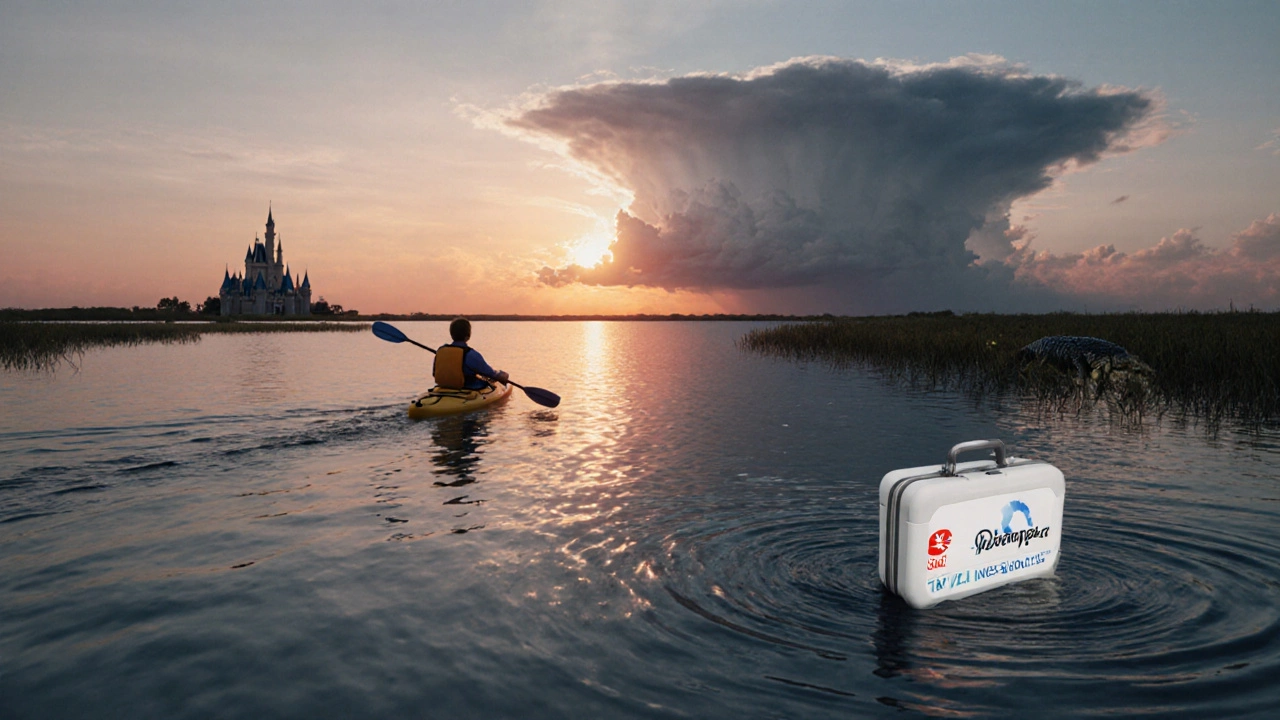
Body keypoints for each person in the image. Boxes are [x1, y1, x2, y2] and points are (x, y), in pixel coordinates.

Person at [433, 317, 509, 390]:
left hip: (443, 388)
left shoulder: (441, 351)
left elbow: (434, 373)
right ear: (468, 336)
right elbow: (491, 374)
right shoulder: (470, 354)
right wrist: (503, 375)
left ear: (451, 334)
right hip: (467, 388)